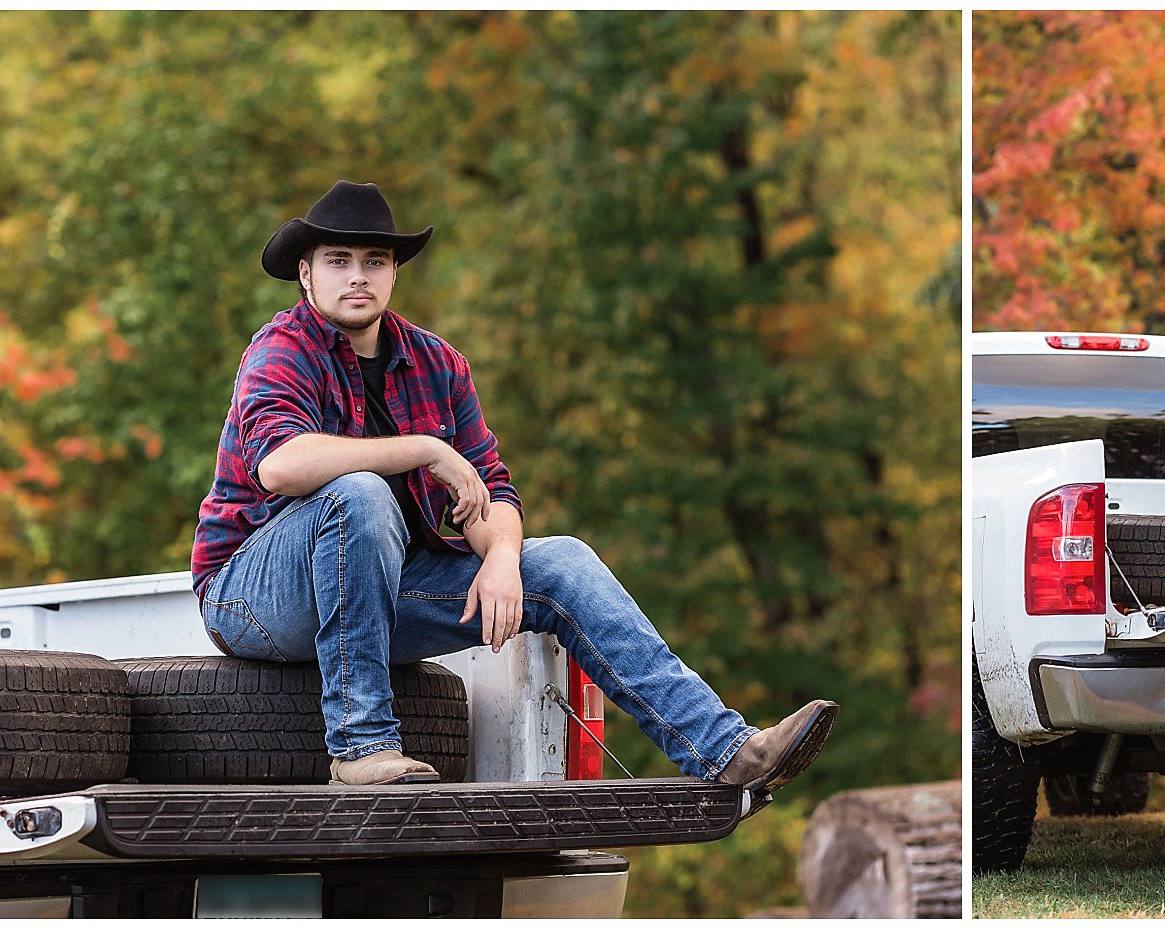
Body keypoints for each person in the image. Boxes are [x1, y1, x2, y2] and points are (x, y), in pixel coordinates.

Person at [191, 180, 837, 794]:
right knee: (360, 493)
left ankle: (727, 751)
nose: (357, 275)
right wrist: (425, 450)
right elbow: (279, 462)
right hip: (251, 593)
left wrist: (501, 558)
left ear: (393, 272)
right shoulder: (282, 348)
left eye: (374, 259)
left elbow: (490, 486)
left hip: (377, 589)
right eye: (338, 260)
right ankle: (362, 745)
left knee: (560, 561)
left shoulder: (437, 364)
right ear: (306, 274)